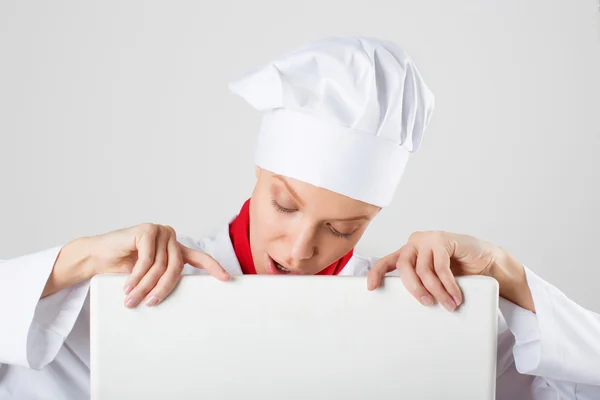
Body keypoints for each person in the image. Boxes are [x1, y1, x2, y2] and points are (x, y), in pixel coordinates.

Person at [1, 36, 599, 400]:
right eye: (284, 205)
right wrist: (72, 263)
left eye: (344, 228)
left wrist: (507, 275)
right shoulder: (120, 300)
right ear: (257, 176)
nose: (300, 247)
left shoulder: (431, 316)